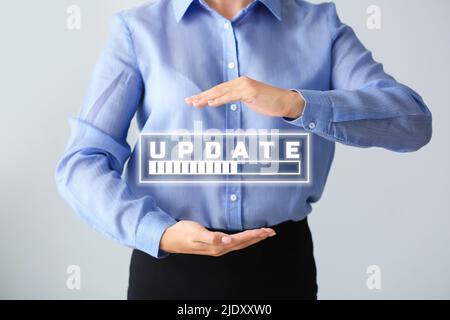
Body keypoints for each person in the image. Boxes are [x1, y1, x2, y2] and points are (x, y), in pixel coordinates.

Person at [55, 0, 432, 300]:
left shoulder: (321, 27)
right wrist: (156, 232)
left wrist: (294, 104)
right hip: (170, 269)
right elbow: (82, 162)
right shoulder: (138, 31)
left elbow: (413, 123)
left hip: (281, 270)